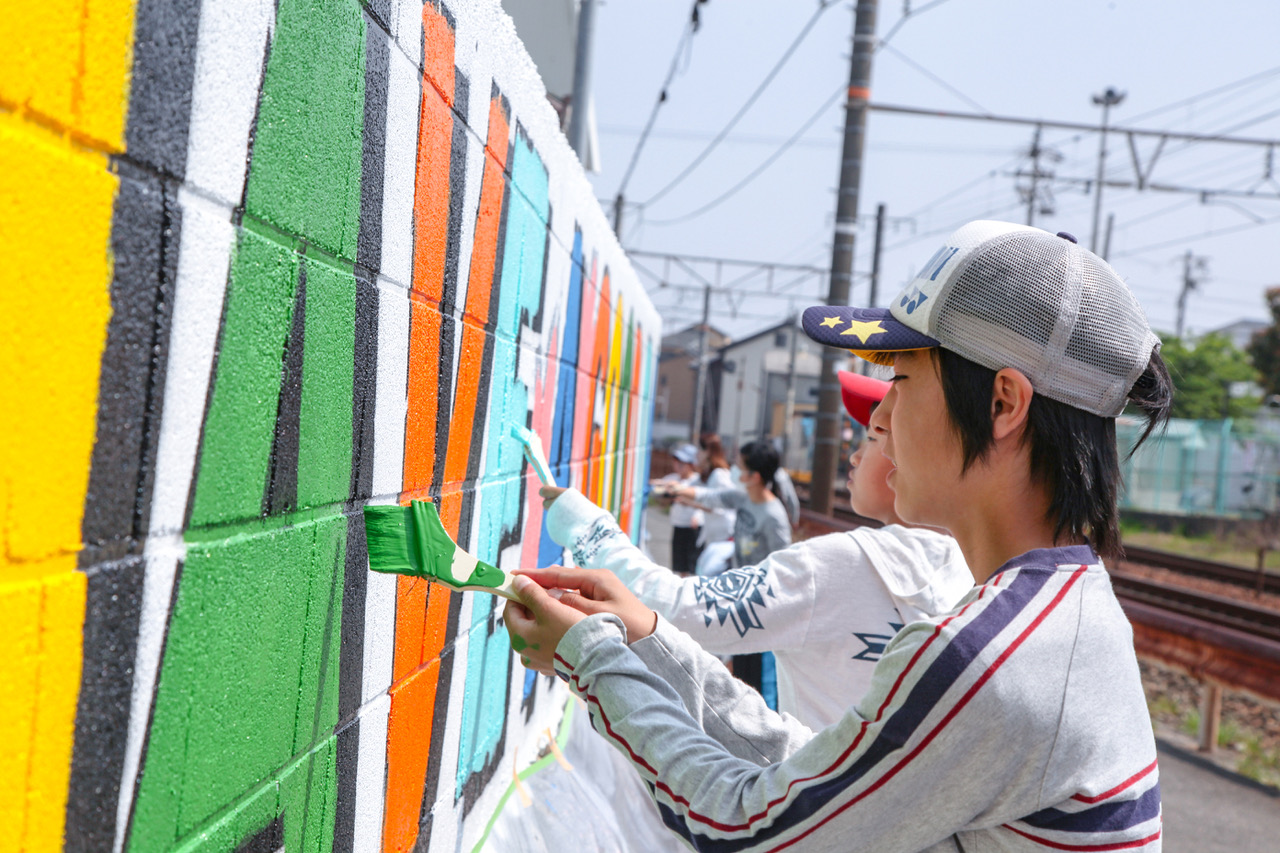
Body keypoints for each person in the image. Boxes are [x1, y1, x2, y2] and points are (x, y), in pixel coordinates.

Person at [506, 221, 1170, 851]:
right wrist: (651, 647)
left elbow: (749, 829)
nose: (882, 412)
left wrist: (590, 659)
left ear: (1002, 403)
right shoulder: (1066, 614)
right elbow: (818, 779)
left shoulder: (987, 659)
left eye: (902, 379)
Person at [537, 370, 972, 728]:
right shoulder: (981, 577)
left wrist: (588, 528)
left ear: (913, 454)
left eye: (875, 437)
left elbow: (675, 609)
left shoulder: (840, 567)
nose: (855, 457)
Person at [654, 443, 704, 576]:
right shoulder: (673, 479)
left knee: (693, 564)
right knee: (679, 564)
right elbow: (656, 485)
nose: (677, 466)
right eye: (676, 462)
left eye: (682, 463)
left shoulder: (697, 481)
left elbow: (705, 502)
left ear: (691, 464)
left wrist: (697, 516)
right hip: (678, 525)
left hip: (693, 527)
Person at [692, 434, 736, 576]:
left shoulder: (719, 475)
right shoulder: (711, 474)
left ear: (708, 452)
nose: (697, 455)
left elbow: (721, 505)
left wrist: (690, 502)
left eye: (700, 450)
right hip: (716, 536)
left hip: (724, 536)